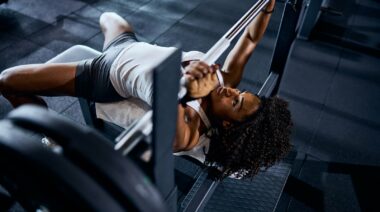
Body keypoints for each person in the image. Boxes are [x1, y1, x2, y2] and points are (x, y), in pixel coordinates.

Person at [0, 0, 292, 179]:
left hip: (105, 74)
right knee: (108, 16)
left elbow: (168, 111)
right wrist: (267, 7)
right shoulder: (221, 86)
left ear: (228, 124)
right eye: (240, 94)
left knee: (7, 80)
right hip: (129, 45)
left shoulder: (189, 132)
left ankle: (49, 137)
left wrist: (189, 91)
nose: (232, 93)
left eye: (236, 103)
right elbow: (249, 44)